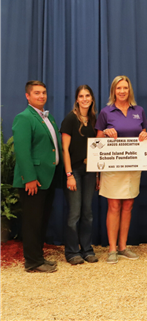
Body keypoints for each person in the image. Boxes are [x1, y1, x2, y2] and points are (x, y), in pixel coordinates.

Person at [95, 76, 147, 264]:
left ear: (129, 90)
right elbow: (97, 143)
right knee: (114, 206)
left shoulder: (139, 111)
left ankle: (123, 247)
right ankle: (112, 249)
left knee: (128, 206)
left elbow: (144, 134)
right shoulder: (106, 112)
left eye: (125, 87)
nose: (122, 91)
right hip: (112, 167)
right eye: (119, 88)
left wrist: (145, 134)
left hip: (133, 166)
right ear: (114, 91)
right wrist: (106, 136)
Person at [12, 81, 63, 273]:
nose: (41, 96)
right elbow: (22, 151)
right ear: (28, 96)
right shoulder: (24, 118)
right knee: (33, 222)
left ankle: (38, 257)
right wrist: (29, 178)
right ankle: (32, 261)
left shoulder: (46, 117)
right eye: (36, 93)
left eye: (43, 92)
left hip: (47, 179)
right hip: (34, 181)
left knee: (41, 221)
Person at [61, 85, 99, 265]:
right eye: (81, 96)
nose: (84, 99)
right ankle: (71, 252)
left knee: (88, 213)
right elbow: (65, 150)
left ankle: (87, 249)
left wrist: (97, 174)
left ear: (92, 98)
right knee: (74, 214)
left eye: (88, 95)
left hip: (90, 171)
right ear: (77, 99)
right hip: (74, 171)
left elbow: (97, 148)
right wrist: (69, 174)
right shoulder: (70, 119)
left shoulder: (93, 119)